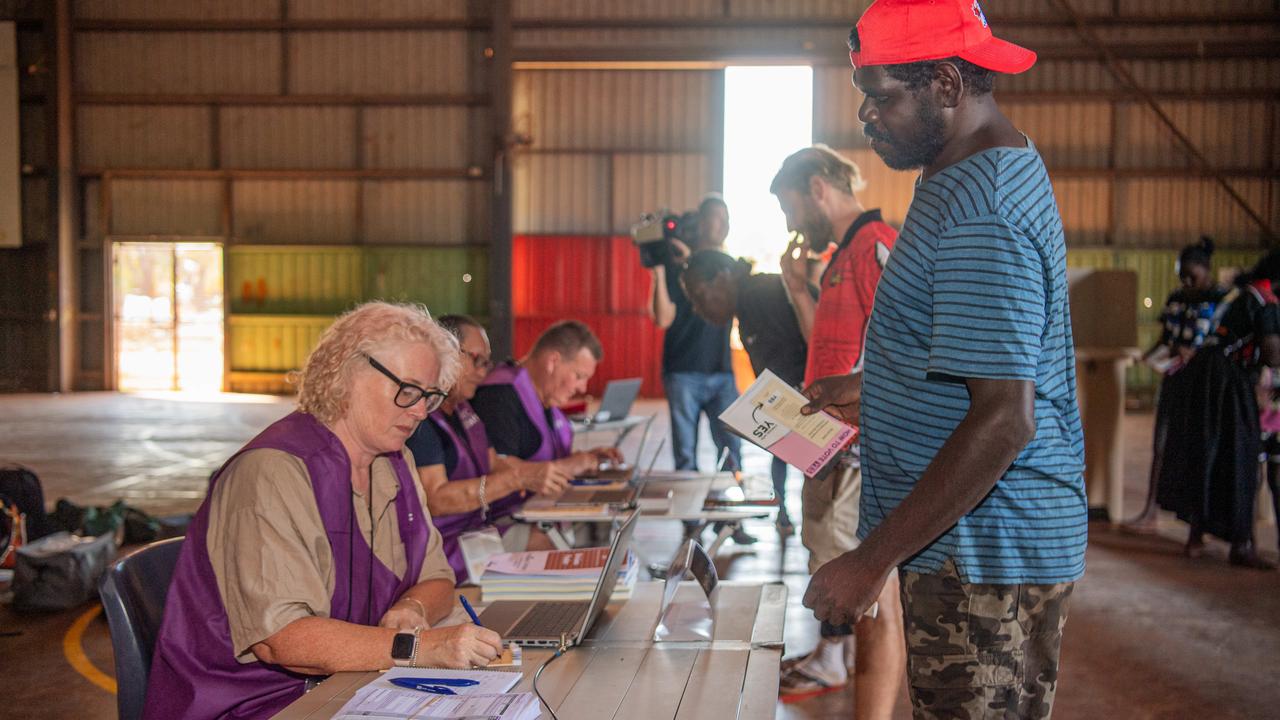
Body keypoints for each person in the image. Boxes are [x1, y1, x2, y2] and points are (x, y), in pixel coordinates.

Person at [801, 3, 1088, 717]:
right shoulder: (955, 172)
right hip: (966, 547)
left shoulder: (982, 207)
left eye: (883, 94)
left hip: (988, 556)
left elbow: (1004, 419)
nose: (866, 113)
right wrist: (878, 387)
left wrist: (871, 561)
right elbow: (976, 354)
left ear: (950, 84)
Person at [145, 302, 504, 720]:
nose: (420, 410)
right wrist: (424, 647)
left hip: (352, 686)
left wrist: (414, 608)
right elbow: (282, 639)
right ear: (347, 372)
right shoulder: (273, 471)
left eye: (428, 396)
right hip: (256, 704)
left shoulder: (395, 461)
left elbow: (438, 578)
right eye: (407, 390)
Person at [768, 144, 904, 712]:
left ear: (818, 188)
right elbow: (829, 355)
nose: (794, 224)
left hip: (856, 449)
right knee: (853, 586)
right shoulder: (840, 257)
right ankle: (839, 666)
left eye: (792, 209)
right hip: (829, 442)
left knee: (874, 600)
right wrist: (800, 288)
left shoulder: (874, 248)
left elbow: (900, 349)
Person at [406, 315, 576, 583]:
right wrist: (517, 479)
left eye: (487, 362)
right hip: (442, 549)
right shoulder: (423, 419)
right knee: (541, 546)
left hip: (476, 532)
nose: (483, 372)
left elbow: (496, 462)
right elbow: (436, 500)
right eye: (477, 360)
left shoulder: (464, 410)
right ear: (445, 352)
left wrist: (544, 473)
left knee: (553, 538)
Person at [1157, 251, 1280, 569]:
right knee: (1240, 460)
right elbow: (1272, 353)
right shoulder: (1264, 301)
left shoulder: (1242, 295)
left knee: (1208, 454)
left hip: (1207, 377)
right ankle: (1241, 545)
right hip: (1229, 384)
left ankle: (1196, 535)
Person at [682, 249, 817, 535]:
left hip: (820, 417)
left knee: (825, 531)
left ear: (721, 278)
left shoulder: (762, 297)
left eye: (698, 295)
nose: (697, 307)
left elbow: (813, 347)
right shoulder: (748, 305)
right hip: (803, 420)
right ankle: (782, 513)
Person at [1128, 237, 1229, 530]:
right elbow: (1165, 338)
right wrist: (1150, 357)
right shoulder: (1177, 298)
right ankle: (1150, 511)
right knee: (1160, 443)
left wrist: (1195, 353)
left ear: (1205, 269)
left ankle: (1199, 526)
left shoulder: (1221, 301)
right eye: (1181, 275)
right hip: (1174, 378)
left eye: (1191, 275)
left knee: (1199, 448)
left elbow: (1224, 342)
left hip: (1204, 384)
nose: (1186, 280)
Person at [649, 195, 745, 477]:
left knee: (732, 450)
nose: (724, 225)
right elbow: (663, 318)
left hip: (722, 371)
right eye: (718, 218)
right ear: (702, 223)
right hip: (682, 372)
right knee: (686, 454)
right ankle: (691, 521)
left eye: (727, 219)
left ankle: (730, 516)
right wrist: (658, 272)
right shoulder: (677, 264)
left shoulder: (729, 265)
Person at [470, 319, 622, 474]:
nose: (582, 388)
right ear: (553, 362)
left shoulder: (543, 398)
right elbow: (496, 470)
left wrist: (585, 460)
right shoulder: (499, 397)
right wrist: (566, 467)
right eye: (579, 376)